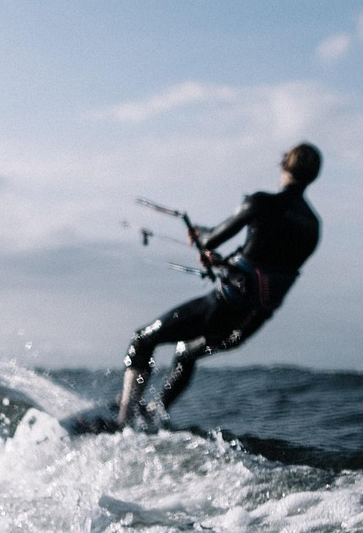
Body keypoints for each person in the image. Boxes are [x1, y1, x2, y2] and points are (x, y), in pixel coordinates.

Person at [116, 142, 322, 428]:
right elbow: (269, 263)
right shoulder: (313, 227)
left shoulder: (260, 203)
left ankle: (124, 420)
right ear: (313, 176)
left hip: (223, 306)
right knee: (186, 352)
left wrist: (199, 234)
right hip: (247, 325)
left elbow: (211, 240)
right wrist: (225, 263)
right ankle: (154, 414)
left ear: (285, 166)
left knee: (142, 340)